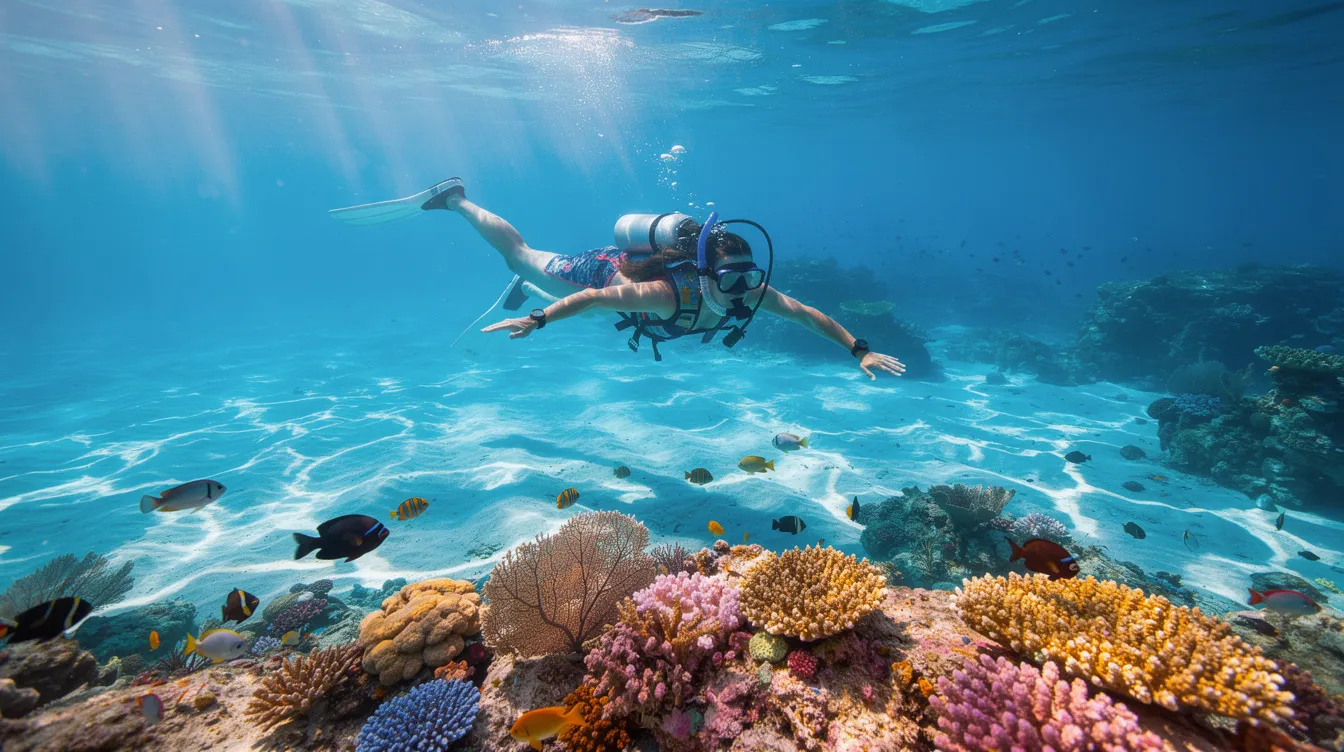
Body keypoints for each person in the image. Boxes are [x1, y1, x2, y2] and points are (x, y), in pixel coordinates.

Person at [330, 178, 905, 380]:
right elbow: (595, 298)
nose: (742, 290)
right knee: (523, 256)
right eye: (730, 278)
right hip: (601, 271)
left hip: (613, 293)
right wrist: (539, 318)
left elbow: (808, 315)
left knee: (530, 277)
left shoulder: (749, 290)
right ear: (706, 271)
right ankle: (454, 200)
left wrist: (858, 349)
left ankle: (524, 290)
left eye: (748, 278)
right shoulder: (665, 291)